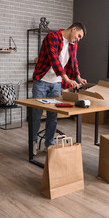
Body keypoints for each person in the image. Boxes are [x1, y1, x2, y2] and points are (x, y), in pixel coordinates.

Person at [32, 22, 87, 155]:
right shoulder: (52, 37)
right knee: (36, 115)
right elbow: (54, 60)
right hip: (42, 81)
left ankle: (49, 144)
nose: (78, 39)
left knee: (53, 116)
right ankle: (32, 143)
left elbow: (74, 61)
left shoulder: (73, 44)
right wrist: (67, 79)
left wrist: (78, 77)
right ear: (73, 29)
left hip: (56, 83)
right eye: (78, 36)